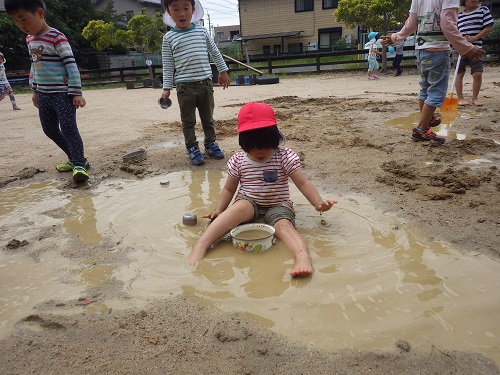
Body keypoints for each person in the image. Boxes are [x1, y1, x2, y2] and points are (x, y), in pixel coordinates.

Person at [187, 102, 337, 277]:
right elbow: (229, 189)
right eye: (252, 148)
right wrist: (219, 210)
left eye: (265, 146)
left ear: (275, 139)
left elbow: (303, 183)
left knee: (284, 226)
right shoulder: (239, 160)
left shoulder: (284, 157)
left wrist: (318, 203)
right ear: (243, 143)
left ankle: (302, 259)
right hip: (249, 204)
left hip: (278, 206)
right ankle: (201, 245)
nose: (259, 152)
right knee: (239, 208)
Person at [5, 0, 90, 183]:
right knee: (49, 130)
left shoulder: (56, 37)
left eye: (24, 19)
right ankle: (75, 158)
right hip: (43, 95)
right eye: (16, 21)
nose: (21, 25)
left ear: (40, 13)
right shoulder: (29, 39)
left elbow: (71, 64)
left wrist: (76, 92)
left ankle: (79, 164)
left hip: (62, 94)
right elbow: (35, 66)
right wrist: (35, 90)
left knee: (68, 129)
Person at [382, 0, 485, 144]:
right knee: (436, 92)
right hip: (437, 50)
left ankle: (428, 119)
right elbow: (447, 25)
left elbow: (411, 24)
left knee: (425, 88)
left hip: (421, 50)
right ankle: (421, 129)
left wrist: (395, 37)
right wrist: (467, 48)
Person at [160, 0, 231, 166]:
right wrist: (166, 89)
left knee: (208, 118)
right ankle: (192, 147)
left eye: (186, 8)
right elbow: (168, 65)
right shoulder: (168, 38)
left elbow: (214, 51)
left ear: (193, 9)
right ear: (168, 12)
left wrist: (223, 71)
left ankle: (211, 144)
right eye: (176, 9)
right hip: (185, 88)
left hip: (205, 84)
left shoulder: (202, 32)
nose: (182, 13)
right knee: (188, 121)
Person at [455, 0, 494, 106]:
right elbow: (454, 31)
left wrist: (474, 38)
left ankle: (475, 98)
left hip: (476, 48)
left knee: (477, 73)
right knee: (459, 73)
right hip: (460, 49)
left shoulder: (483, 10)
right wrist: (462, 40)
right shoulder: (458, 14)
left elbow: (487, 28)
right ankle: (460, 98)